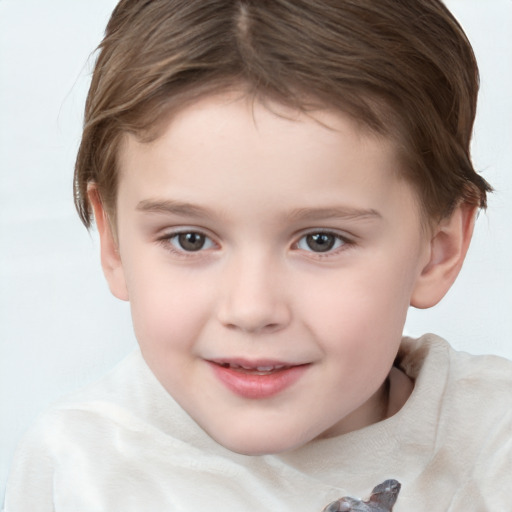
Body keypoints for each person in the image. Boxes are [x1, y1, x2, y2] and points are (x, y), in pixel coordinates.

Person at [4, 0, 511, 510]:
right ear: (113, 243)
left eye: (321, 240)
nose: (251, 309)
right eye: (190, 239)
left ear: (437, 249)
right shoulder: (77, 470)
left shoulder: (495, 452)